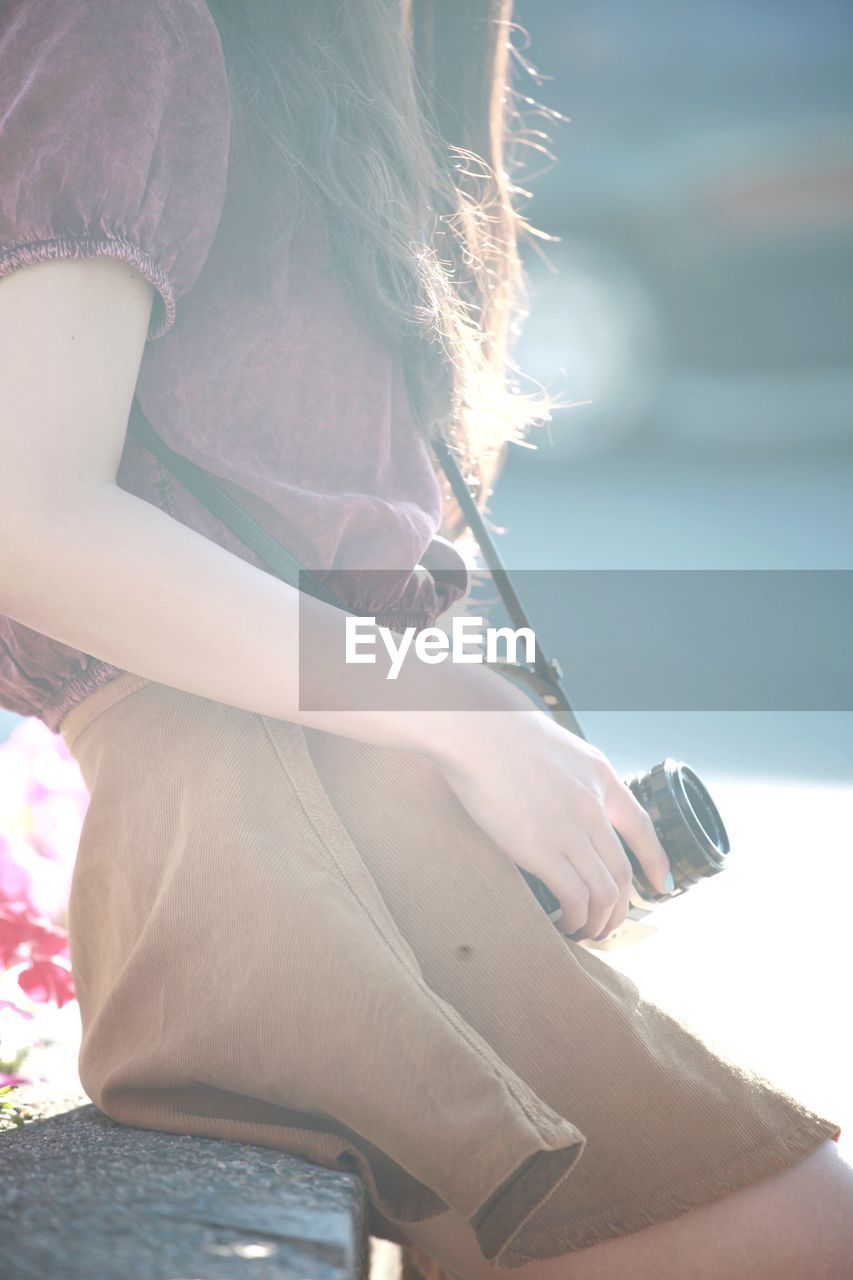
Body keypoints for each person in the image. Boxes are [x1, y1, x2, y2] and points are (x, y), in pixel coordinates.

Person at [1, 3, 850, 1277]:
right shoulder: (136, 24)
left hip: (362, 828)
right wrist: (459, 713)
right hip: (262, 832)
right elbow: (32, 515)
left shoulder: (414, 44)